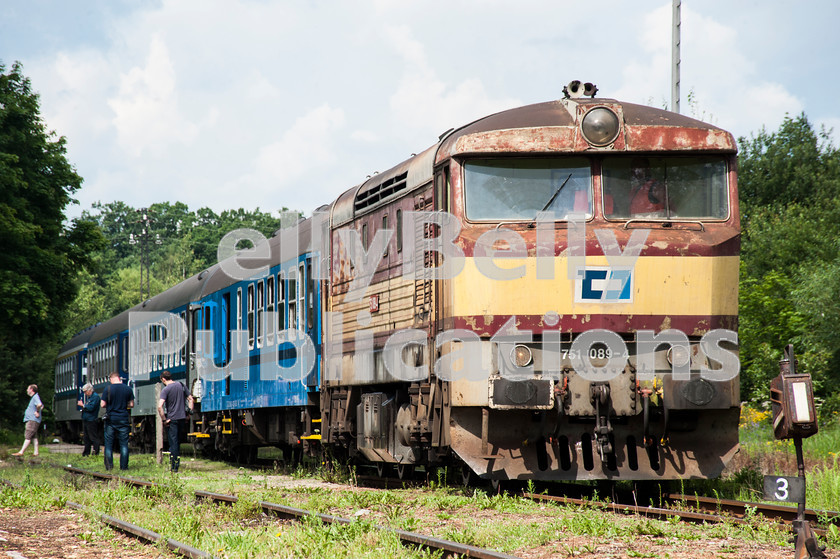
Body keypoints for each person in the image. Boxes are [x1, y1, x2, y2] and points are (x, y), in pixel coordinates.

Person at [157, 370, 193, 473]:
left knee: (173, 443)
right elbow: (191, 399)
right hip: (182, 418)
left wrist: (164, 419)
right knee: (178, 442)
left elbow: (160, 407)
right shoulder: (181, 385)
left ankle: (174, 467)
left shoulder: (166, 390)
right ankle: (176, 464)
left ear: (163, 379)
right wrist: (189, 415)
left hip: (172, 420)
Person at [100, 371, 134, 471]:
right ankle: (124, 467)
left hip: (111, 419)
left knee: (109, 444)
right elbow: (131, 405)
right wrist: (123, 405)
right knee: (124, 444)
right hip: (123, 418)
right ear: (119, 378)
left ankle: (109, 467)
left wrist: (111, 405)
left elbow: (102, 404)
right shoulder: (128, 389)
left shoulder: (108, 389)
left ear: (111, 379)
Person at [12, 385, 43, 457]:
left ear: (31, 389)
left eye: (28, 389)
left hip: (32, 420)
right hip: (34, 420)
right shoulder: (35, 397)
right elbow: (42, 406)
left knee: (28, 436)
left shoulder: (35, 397)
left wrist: (37, 411)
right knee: (34, 437)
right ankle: (36, 452)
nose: (27, 390)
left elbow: (40, 405)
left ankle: (21, 452)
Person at [77, 383, 101, 456]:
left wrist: (83, 405)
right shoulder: (90, 398)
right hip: (87, 420)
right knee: (86, 438)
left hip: (91, 420)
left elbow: (91, 408)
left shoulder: (95, 397)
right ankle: (86, 453)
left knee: (93, 437)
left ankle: (96, 452)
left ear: (90, 390)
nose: (84, 393)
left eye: (85, 391)